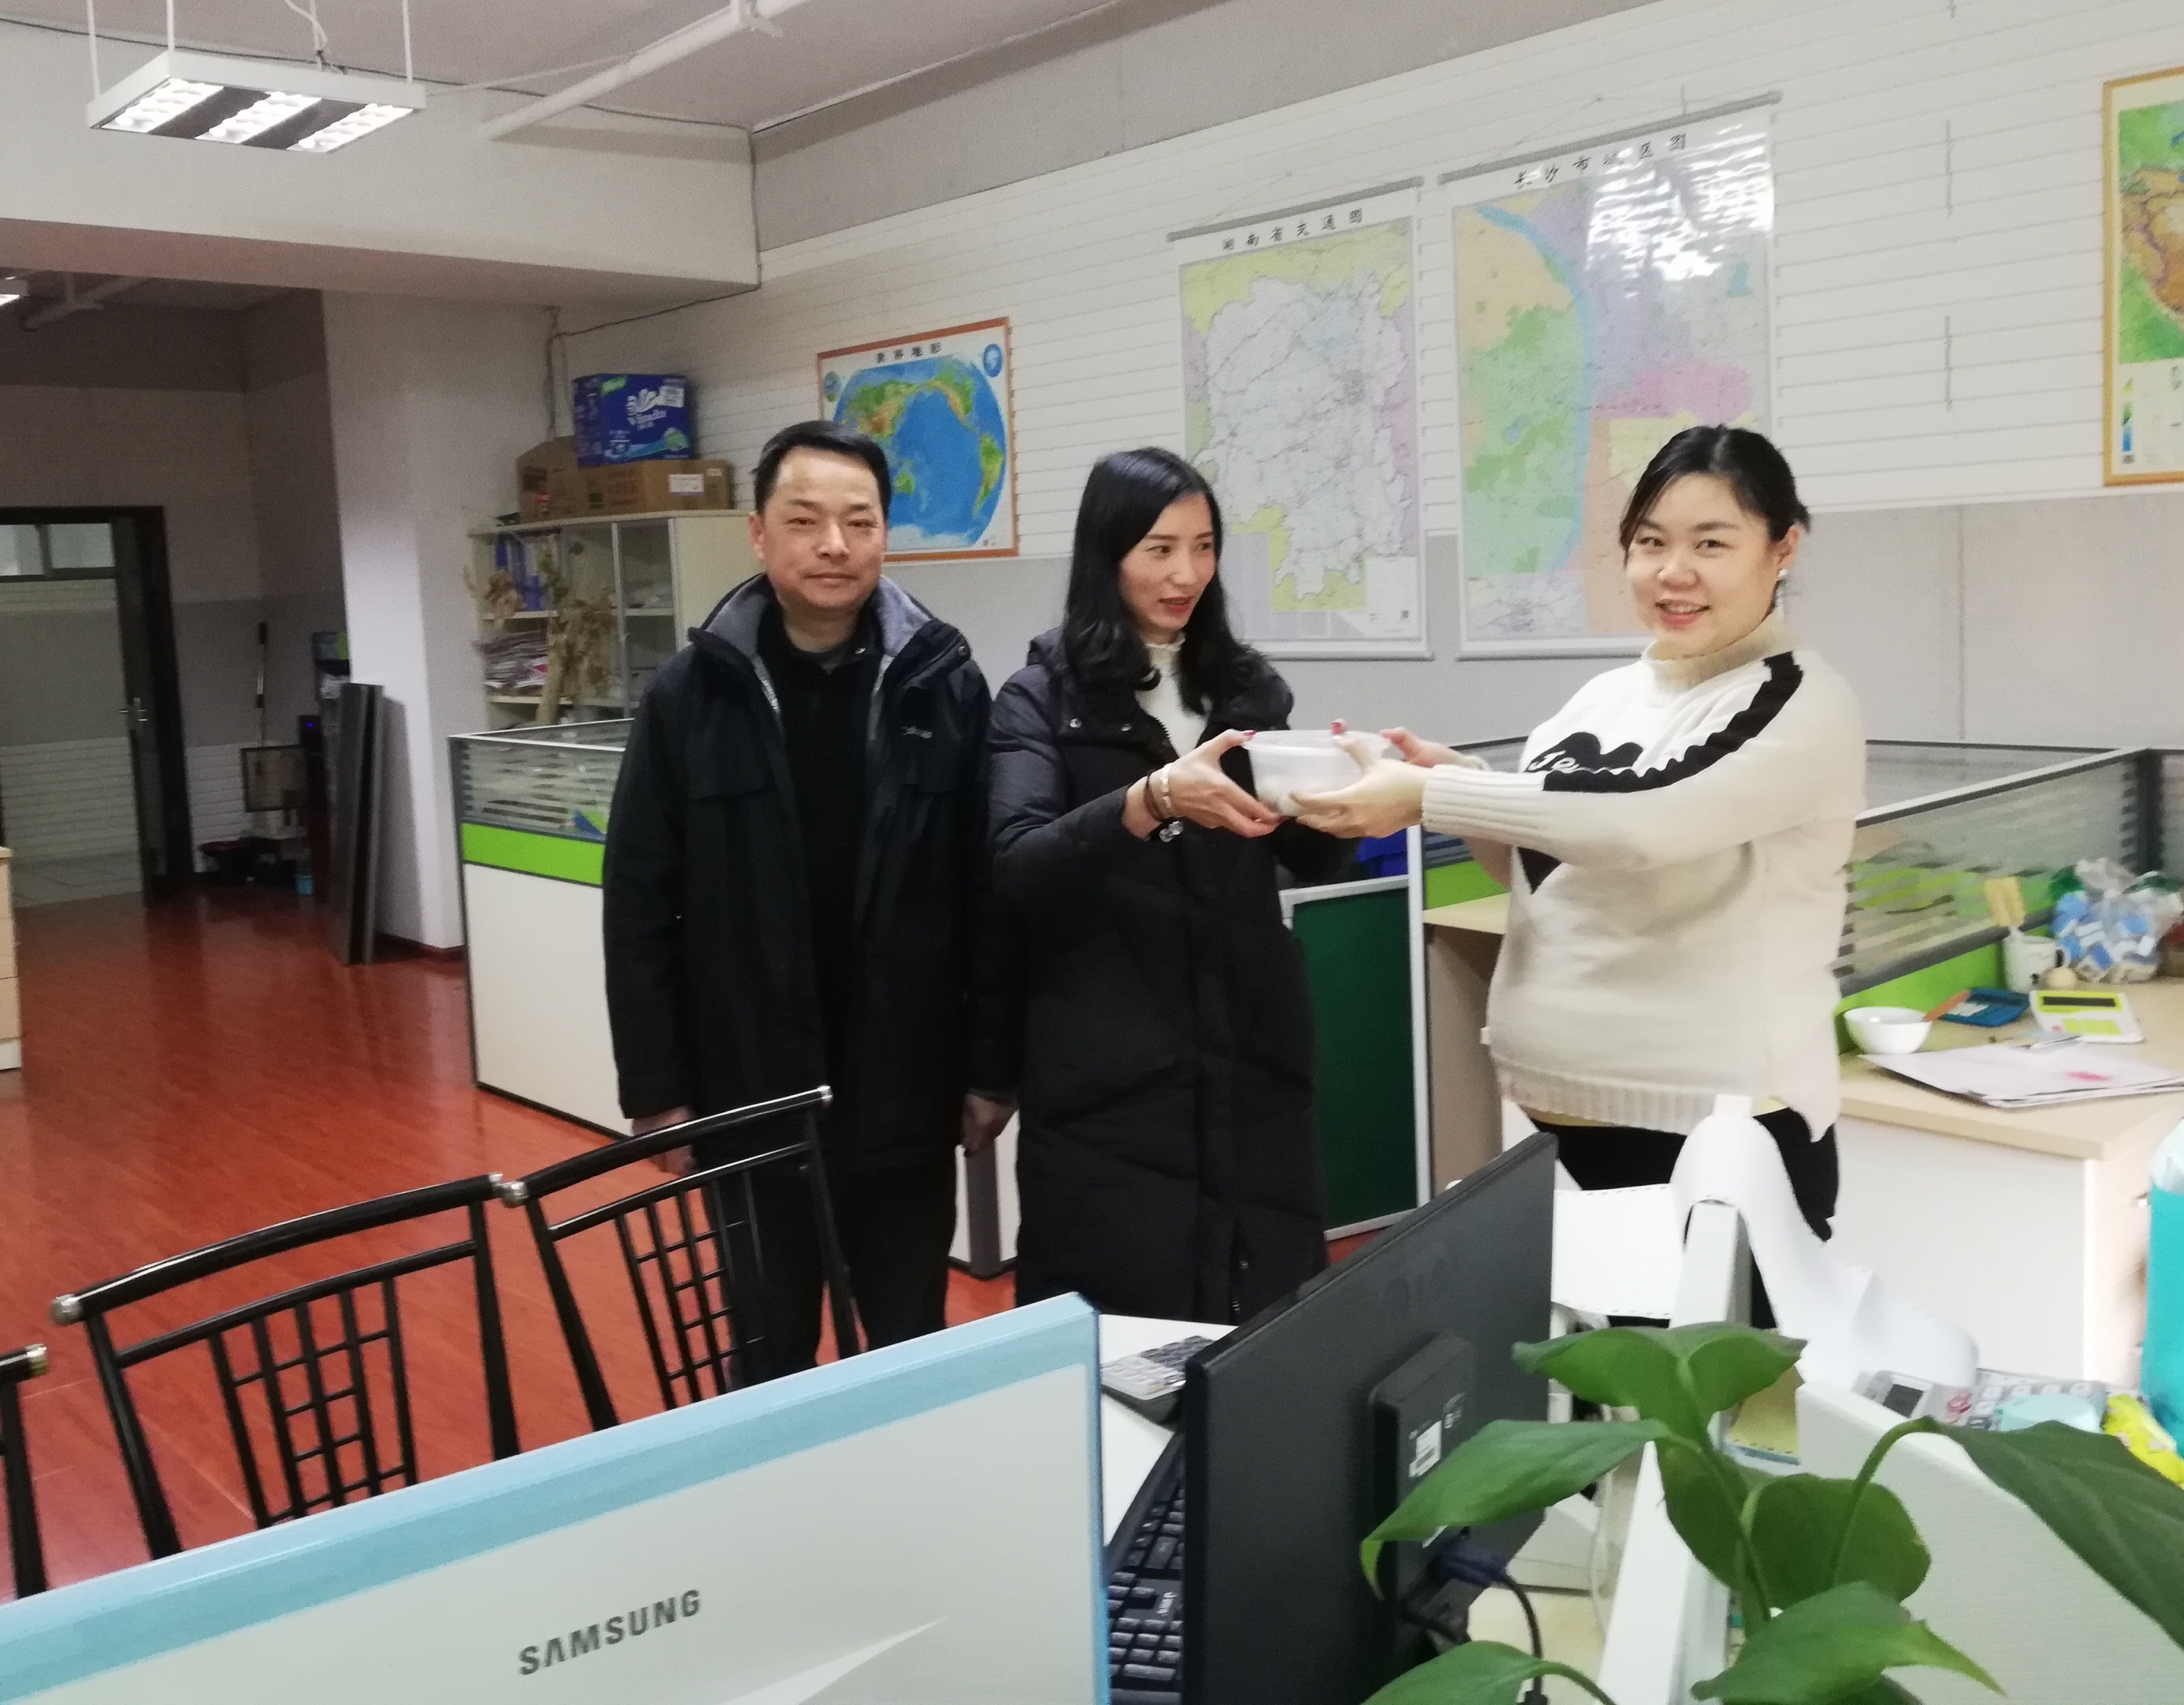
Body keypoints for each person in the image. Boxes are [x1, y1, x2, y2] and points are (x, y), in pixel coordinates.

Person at [1296, 425, 1865, 1235]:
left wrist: (1435, 795)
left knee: (1726, 1327)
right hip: (1563, 1120)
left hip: (1721, 1132)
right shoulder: (1603, 698)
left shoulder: (1799, 700)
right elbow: (1542, 871)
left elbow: (1642, 825)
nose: (1673, 571)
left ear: (1782, 550)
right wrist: (1461, 780)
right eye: (1650, 542)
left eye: (1711, 543)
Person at [603, 420, 1013, 1378]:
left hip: (905, 1091)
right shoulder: (689, 697)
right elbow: (639, 904)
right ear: (759, 534)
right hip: (749, 1097)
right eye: (805, 520)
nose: (835, 545)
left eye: (859, 522)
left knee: (909, 1347)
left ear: (884, 535)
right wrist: (656, 1091)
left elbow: (987, 894)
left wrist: (992, 1068)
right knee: (768, 1351)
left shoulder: (945, 686)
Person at [986, 447, 1359, 1322]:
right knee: (1127, 1337)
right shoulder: (1039, 700)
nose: (1186, 573)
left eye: (1203, 546)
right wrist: (1147, 801)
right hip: (1111, 1084)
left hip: (1251, 1069)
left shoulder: (1245, 687)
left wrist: (1343, 805)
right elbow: (1016, 867)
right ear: (1107, 555)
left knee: (1265, 1328)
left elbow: (1306, 862)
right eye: (1158, 549)